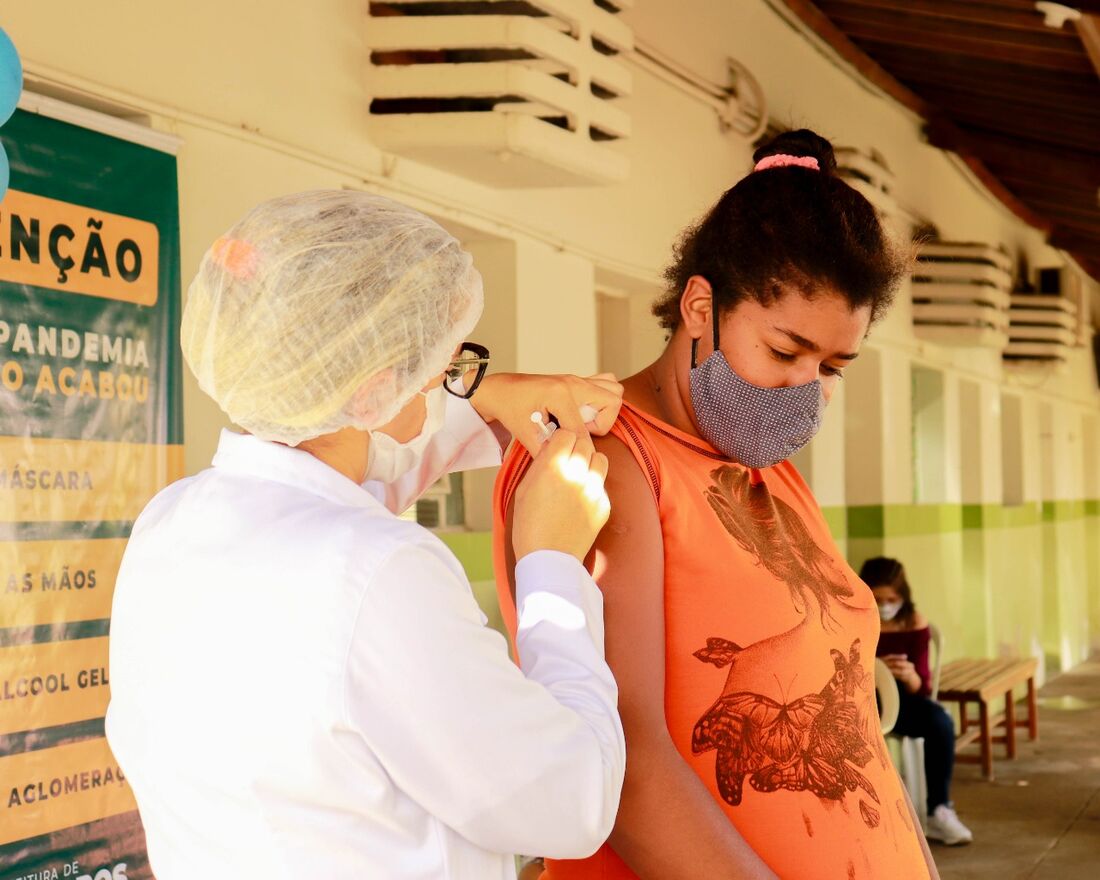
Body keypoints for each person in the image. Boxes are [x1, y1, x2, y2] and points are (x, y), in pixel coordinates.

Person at [105, 191, 628, 880]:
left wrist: (488, 401)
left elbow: (344, 487)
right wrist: (551, 563)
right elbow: (570, 801)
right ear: (374, 392)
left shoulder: (170, 525)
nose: (448, 387)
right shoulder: (381, 573)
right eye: (444, 368)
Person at [494, 130, 939, 879]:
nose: (806, 388)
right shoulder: (608, 462)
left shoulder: (770, 472)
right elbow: (626, 764)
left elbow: (857, 732)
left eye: (833, 366)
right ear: (700, 306)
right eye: (785, 350)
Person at [860, 556, 974, 846]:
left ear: (903, 595)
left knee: (940, 720)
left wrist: (909, 675)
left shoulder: (914, 622)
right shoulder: (857, 619)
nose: (885, 605)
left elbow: (922, 686)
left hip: (904, 703)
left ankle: (939, 809)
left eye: (892, 598)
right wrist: (874, 670)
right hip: (862, 701)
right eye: (878, 598)